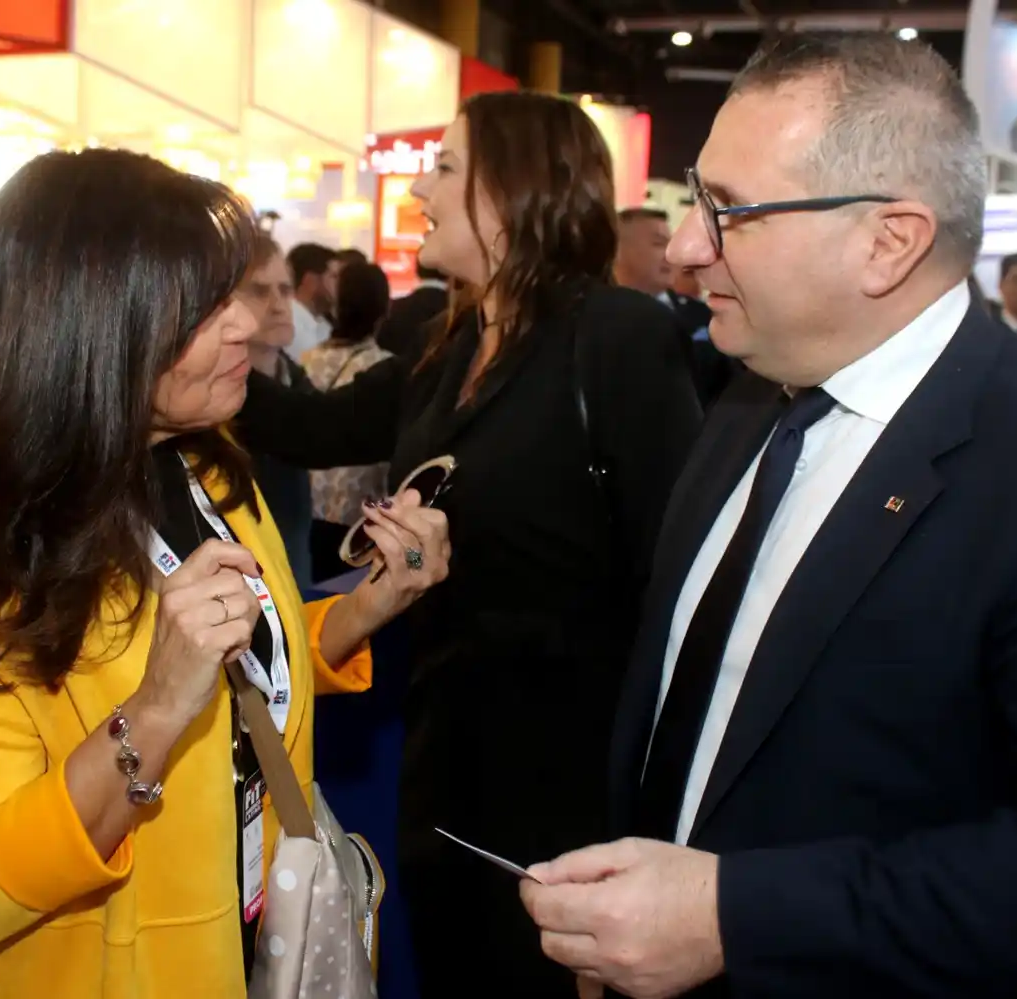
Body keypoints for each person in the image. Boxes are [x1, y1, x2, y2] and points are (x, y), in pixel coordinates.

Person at [519, 33, 1017, 999]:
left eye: (732, 212)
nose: (683, 245)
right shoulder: (747, 398)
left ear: (890, 241)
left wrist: (736, 915)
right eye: (696, 197)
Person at [0, 148, 450, 999]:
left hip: (261, 932)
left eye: (236, 294)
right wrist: (153, 712)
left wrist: (370, 603)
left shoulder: (206, 470)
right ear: (94, 327)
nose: (245, 325)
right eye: (204, 308)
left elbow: (249, 656)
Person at [236, 90, 703, 997]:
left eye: (445, 168)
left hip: (567, 782)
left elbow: (675, 574)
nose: (420, 191)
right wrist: (163, 346)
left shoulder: (614, 338)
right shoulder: (438, 339)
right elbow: (307, 428)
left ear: (516, 190)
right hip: (443, 753)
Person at [301, 261, 394, 582]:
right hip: (359, 519)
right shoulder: (385, 369)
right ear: (384, 309)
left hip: (309, 511)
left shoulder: (307, 360)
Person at [238, 235, 316, 589]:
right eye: (258, 291)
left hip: (296, 577)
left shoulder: (301, 385)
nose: (278, 305)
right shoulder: (206, 407)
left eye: (285, 290)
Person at [616, 206, 734, 406]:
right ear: (617, 250)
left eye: (670, 243)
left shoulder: (707, 316)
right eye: (658, 243)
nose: (670, 255)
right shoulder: (591, 322)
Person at [286, 242, 337, 357]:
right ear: (310, 281)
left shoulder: (324, 324)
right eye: (333, 277)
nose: (340, 284)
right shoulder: (290, 327)